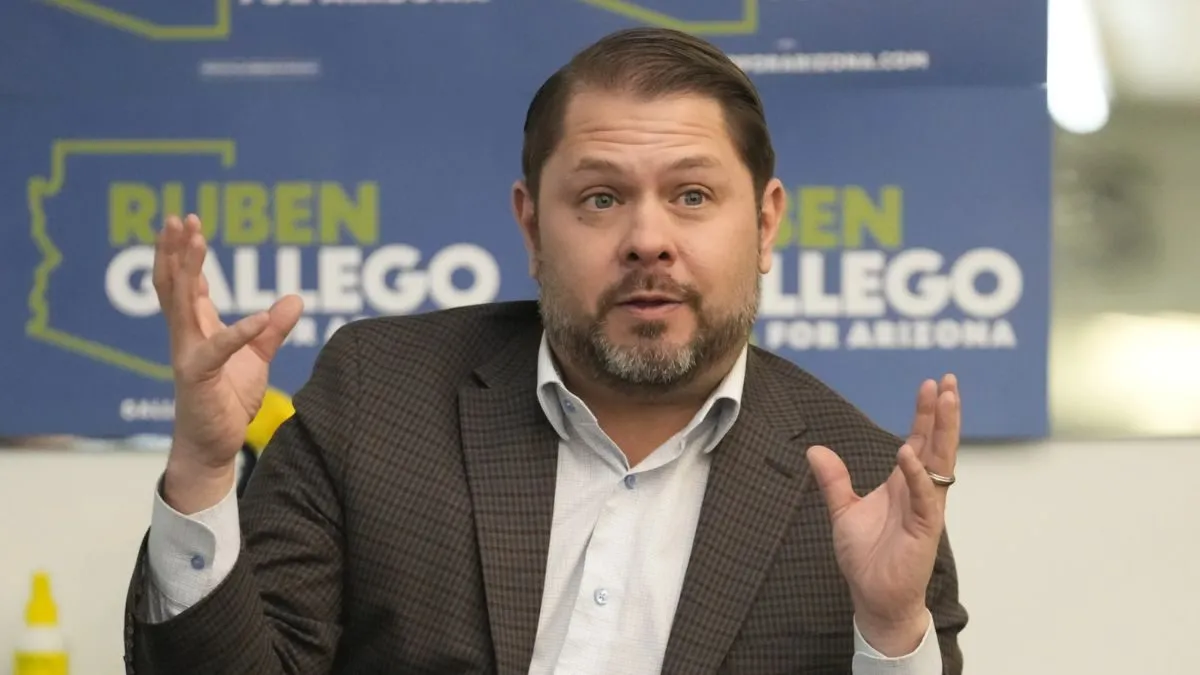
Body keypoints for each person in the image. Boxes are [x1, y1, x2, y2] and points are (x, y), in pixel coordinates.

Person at [122, 27, 968, 675]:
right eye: (601, 198)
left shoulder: (867, 486)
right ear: (531, 225)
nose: (647, 239)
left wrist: (890, 635)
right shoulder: (378, 397)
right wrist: (202, 469)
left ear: (766, 221)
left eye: (692, 195)